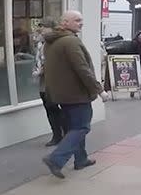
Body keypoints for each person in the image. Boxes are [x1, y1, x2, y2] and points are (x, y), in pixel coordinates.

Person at [41, 10, 109, 179]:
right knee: (82, 127)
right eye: (77, 20)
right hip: (76, 94)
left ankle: (81, 159)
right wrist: (99, 90)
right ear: (64, 23)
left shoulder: (51, 42)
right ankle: (56, 159)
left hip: (62, 94)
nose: (81, 23)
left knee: (74, 127)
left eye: (81, 20)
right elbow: (83, 69)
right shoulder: (70, 42)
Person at [33, 18, 67, 146]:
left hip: (55, 80)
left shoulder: (56, 42)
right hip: (43, 81)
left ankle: (66, 133)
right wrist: (37, 69)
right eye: (40, 26)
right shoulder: (40, 43)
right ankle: (56, 135)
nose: (41, 29)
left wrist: (44, 69)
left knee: (55, 106)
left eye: (44, 26)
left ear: (52, 28)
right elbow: (38, 59)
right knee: (49, 107)